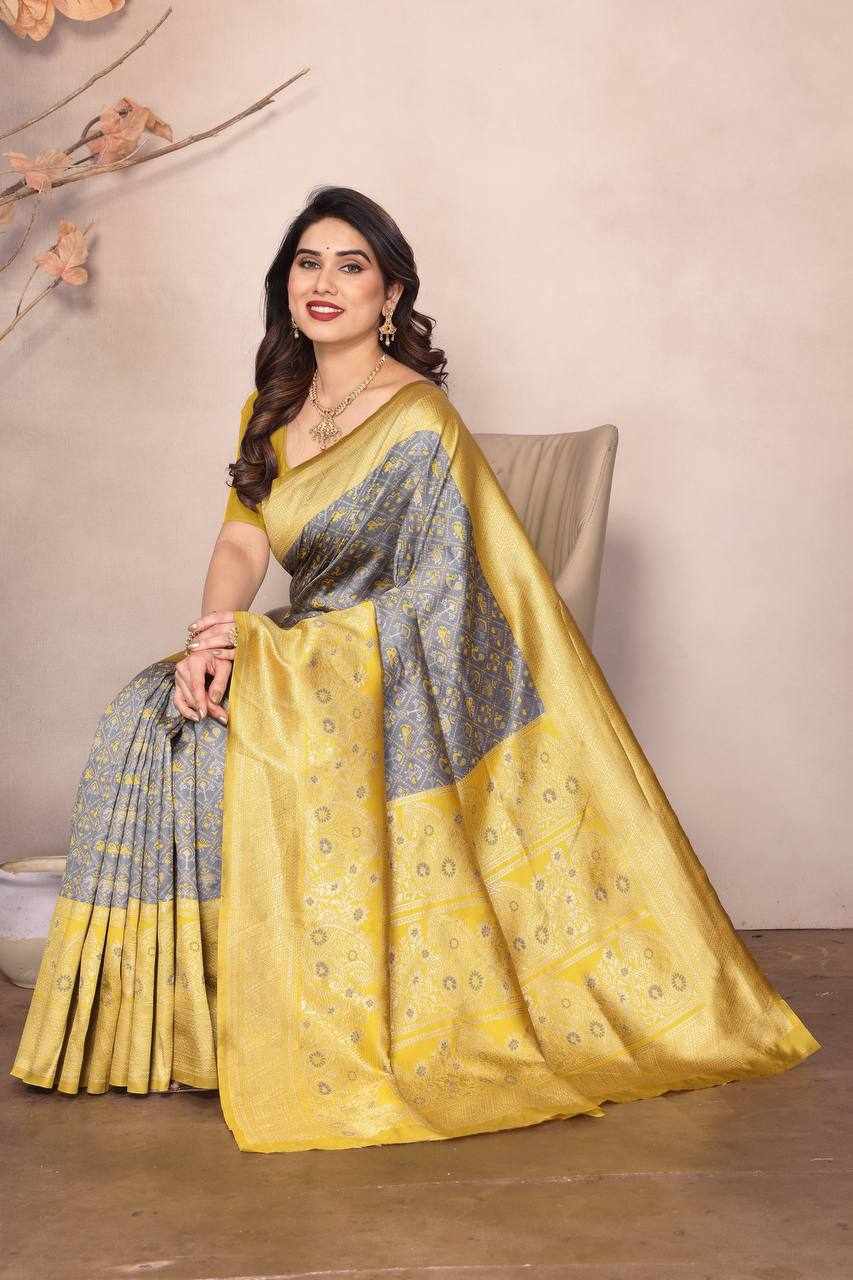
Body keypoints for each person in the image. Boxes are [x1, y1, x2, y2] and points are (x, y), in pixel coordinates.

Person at [10, 185, 821, 1154]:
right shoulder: (271, 406)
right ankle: (196, 1025)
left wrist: (290, 651)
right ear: (284, 284)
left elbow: (447, 593)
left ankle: (292, 1009)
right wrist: (213, 638)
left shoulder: (419, 418)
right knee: (159, 712)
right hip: (306, 645)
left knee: (230, 733)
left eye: (350, 265)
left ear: (389, 293)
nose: (324, 282)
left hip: (388, 661)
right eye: (307, 262)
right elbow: (241, 538)